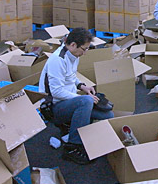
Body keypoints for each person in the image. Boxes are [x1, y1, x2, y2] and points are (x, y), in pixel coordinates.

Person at [39, 28, 114, 165]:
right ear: (73, 45)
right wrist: (82, 98)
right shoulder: (57, 60)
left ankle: (79, 133)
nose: (84, 53)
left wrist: (82, 86)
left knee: (108, 115)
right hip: (53, 107)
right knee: (85, 101)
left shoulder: (73, 55)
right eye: (84, 49)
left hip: (66, 102)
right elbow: (56, 92)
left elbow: (71, 76)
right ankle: (72, 147)